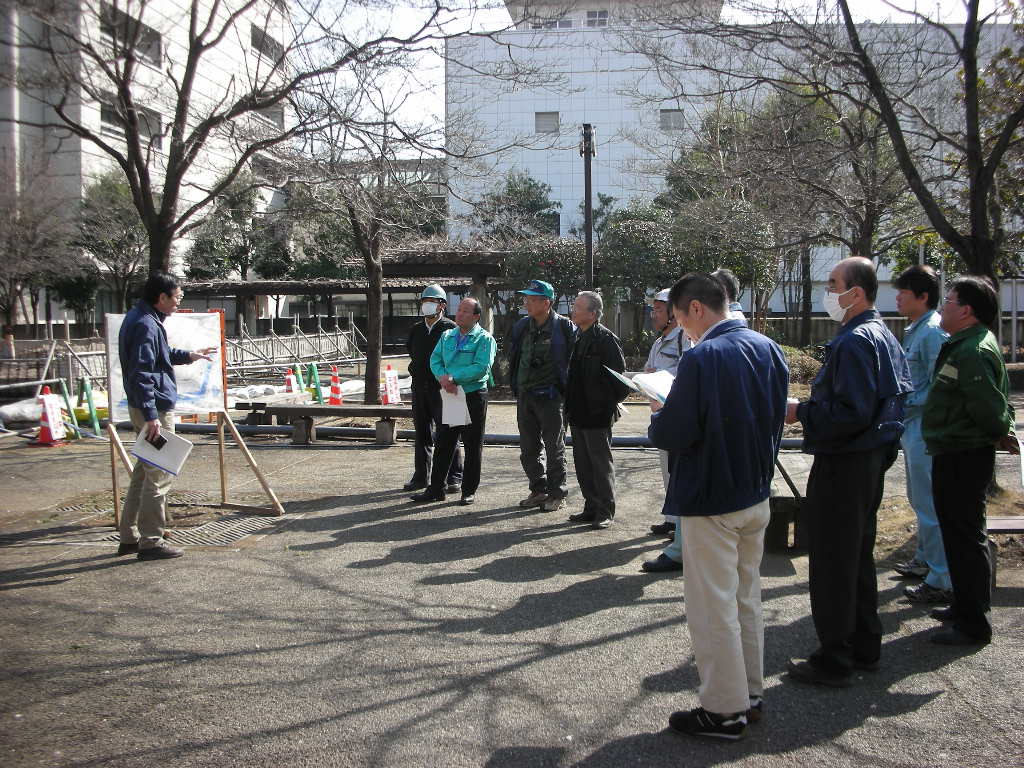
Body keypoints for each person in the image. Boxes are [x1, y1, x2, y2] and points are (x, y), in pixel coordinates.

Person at [649, 273, 789, 740]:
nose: (681, 328)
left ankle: (723, 710)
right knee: (746, 599)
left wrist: (658, 413)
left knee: (713, 608)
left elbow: (674, 432)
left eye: (679, 317)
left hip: (711, 496)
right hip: (755, 490)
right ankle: (749, 694)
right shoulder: (768, 348)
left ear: (695, 309)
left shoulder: (702, 356)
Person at [785, 257, 912, 687]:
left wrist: (801, 412)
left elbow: (850, 412)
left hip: (845, 461)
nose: (828, 292)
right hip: (870, 458)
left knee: (833, 560)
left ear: (855, 292)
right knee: (856, 554)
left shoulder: (855, 341)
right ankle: (863, 644)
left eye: (833, 283)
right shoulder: (883, 334)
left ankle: (834, 656)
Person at [924, 276, 1015, 646]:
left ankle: (974, 623)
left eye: (948, 301)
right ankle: (964, 605)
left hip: (964, 453)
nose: (942, 306)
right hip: (953, 451)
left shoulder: (972, 351)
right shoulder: (963, 343)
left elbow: (990, 408)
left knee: (965, 535)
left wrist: (1002, 430)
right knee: (956, 533)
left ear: (966, 310)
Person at [118, 272, 215, 561]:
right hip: (154, 409)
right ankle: (151, 541)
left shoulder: (141, 318)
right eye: (177, 297)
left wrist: (189, 355)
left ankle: (129, 536)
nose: (178, 303)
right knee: (160, 474)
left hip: (145, 406)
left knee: (143, 471)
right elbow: (142, 373)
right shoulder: (146, 324)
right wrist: (152, 416)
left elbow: (160, 356)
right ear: (162, 297)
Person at [892, 265, 952, 603]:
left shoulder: (932, 332)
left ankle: (940, 577)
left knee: (929, 504)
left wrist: (907, 402)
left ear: (923, 296)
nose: (897, 298)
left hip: (925, 428)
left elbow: (940, 386)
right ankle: (925, 559)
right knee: (918, 499)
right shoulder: (916, 329)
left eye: (903, 292)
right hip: (912, 426)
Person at [411, 298, 496, 506]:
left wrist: (453, 378)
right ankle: (436, 489)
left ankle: (468, 490)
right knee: (445, 442)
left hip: (472, 395)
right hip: (451, 394)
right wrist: (442, 378)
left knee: (472, 445)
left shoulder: (484, 339)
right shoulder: (447, 335)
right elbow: (435, 360)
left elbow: (481, 368)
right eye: (459, 309)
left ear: (476, 316)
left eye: (466, 311)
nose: (460, 314)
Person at [506, 279, 575, 513]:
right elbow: (515, 357)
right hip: (526, 396)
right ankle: (538, 490)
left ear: (547, 303)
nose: (526, 303)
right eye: (526, 299)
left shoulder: (563, 327)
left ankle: (558, 493)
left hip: (552, 398)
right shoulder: (522, 326)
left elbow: (571, 362)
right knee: (528, 448)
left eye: (532, 299)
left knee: (555, 448)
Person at [564, 291, 631, 529]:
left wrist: (605, 405)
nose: (573, 310)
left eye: (578, 307)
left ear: (592, 314)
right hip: (578, 412)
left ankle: (605, 510)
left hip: (597, 414)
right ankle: (591, 506)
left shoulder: (606, 339)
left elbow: (620, 382)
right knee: (583, 464)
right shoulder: (577, 336)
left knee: (600, 465)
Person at [404, 284, 462, 493]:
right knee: (422, 433)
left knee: (450, 433)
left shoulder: (451, 329)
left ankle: (454, 476)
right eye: (424, 301)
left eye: (431, 301)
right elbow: (412, 353)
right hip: (420, 388)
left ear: (442, 305)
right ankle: (421, 476)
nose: (426, 305)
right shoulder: (416, 329)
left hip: (447, 388)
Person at [644, 288, 690, 543]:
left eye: (659, 310)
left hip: (676, 413)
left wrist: (659, 376)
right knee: (667, 469)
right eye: (653, 309)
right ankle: (672, 519)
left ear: (673, 312)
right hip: (660, 412)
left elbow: (686, 371)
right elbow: (650, 368)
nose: (654, 315)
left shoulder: (684, 337)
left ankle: (681, 524)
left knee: (678, 470)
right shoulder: (659, 341)